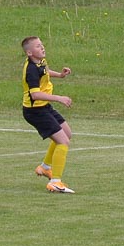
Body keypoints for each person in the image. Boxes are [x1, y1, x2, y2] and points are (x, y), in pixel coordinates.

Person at [21, 36, 75, 193]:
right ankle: (55, 182)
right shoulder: (30, 69)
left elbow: (44, 72)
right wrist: (59, 98)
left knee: (67, 133)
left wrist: (60, 75)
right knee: (63, 142)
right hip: (35, 111)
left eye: (42, 45)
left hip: (44, 107)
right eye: (38, 46)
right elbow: (35, 95)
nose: (42, 48)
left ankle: (45, 167)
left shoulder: (40, 61)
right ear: (30, 52)